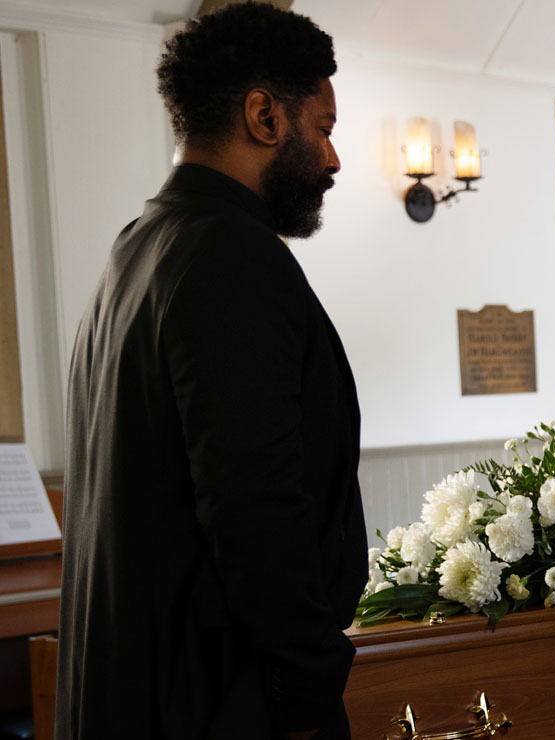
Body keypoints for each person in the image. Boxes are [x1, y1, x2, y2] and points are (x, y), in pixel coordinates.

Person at [57, 4, 366, 739]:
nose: (333, 158)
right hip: (221, 703)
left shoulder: (139, 246)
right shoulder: (232, 256)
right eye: (323, 127)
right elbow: (254, 506)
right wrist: (307, 696)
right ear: (264, 116)